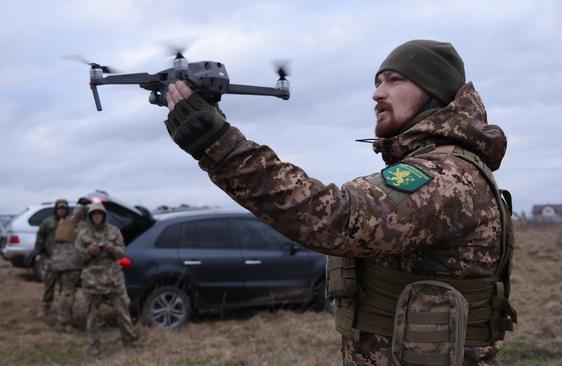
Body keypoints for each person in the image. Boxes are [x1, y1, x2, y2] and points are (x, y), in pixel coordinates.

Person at [164, 40, 516, 365]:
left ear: (434, 93)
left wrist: (220, 146)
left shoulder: (445, 178)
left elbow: (336, 217)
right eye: (378, 81)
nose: (377, 93)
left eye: (394, 81)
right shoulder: (440, 168)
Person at [75, 201, 139, 357]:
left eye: (100, 214)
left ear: (104, 216)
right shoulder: (83, 234)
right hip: (92, 280)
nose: (97, 217)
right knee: (92, 316)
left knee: (122, 311)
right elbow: (77, 258)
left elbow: (122, 253)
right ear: (90, 216)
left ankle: (129, 341)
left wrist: (111, 248)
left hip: (113, 279)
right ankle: (94, 346)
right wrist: (89, 251)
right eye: (94, 214)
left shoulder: (114, 231)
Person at [52, 205, 88, 332]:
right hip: (71, 264)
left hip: (57, 263)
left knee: (63, 292)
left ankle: (61, 319)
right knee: (68, 293)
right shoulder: (82, 225)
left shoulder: (64, 223)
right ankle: (64, 323)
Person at [35, 199, 69, 318]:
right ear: (56, 209)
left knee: (64, 287)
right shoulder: (48, 222)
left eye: (64, 208)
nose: (61, 210)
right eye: (59, 208)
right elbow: (40, 237)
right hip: (50, 258)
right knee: (49, 284)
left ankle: (62, 309)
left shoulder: (69, 223)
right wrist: (38, 252)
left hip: (65, 260)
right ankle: (45, 307)